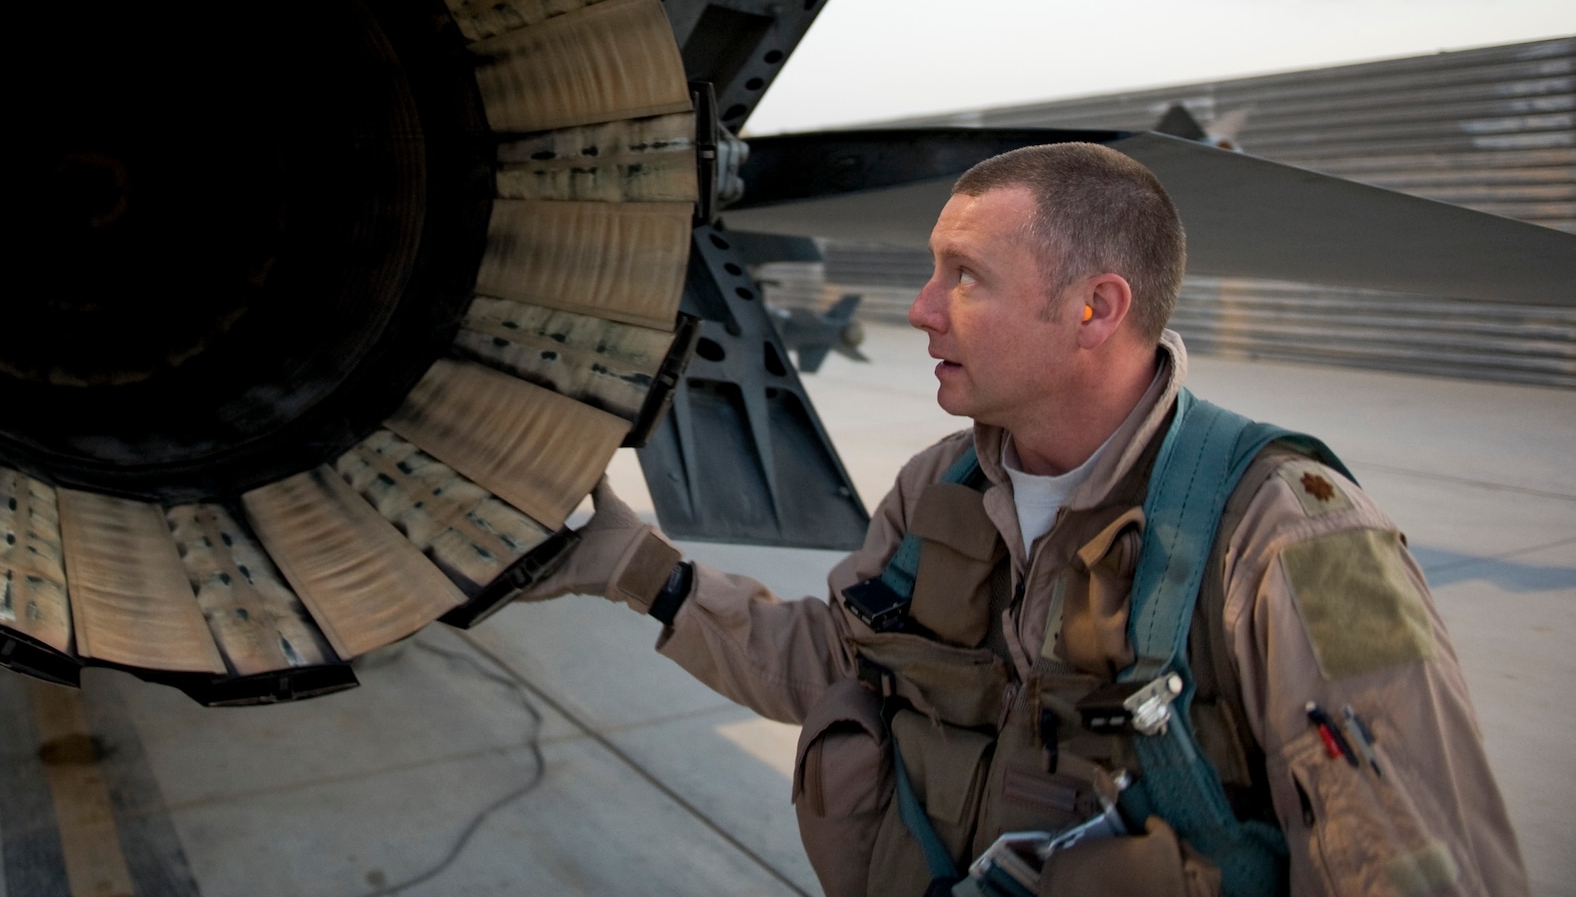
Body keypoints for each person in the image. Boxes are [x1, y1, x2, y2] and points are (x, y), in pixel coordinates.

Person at [525, 143, 1526, 897]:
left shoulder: (1296, 538)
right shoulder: (941, 487)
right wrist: (643, 571)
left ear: (1095, 308)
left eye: (964, 276)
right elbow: (836, 662)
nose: (921, 309)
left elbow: (1409, 853)